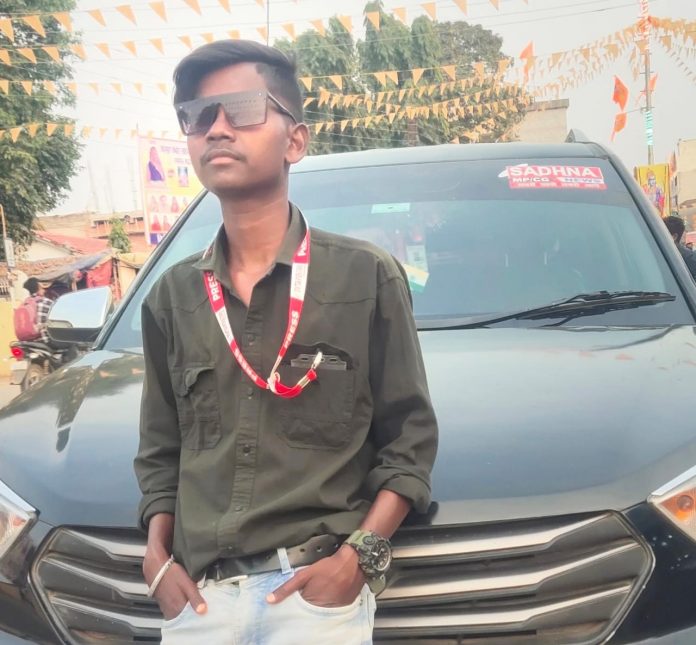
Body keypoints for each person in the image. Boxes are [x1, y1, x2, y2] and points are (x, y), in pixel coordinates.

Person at [134, 40, 438, 644]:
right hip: (199, 603)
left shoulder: (364, 279)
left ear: (295, 140)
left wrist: (357, 560)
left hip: (314, 598)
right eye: (198, 116)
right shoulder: (171, 297)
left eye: (243, 109)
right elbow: (160, 451)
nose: (217, 128)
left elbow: (410, 440)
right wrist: (156, 559)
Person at [21, 278, 53, 344]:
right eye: (42, 288)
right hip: (46, 340)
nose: (44, 290)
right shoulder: (45, 301)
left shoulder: (24, 303)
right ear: (38, 288)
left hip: (28, 341)